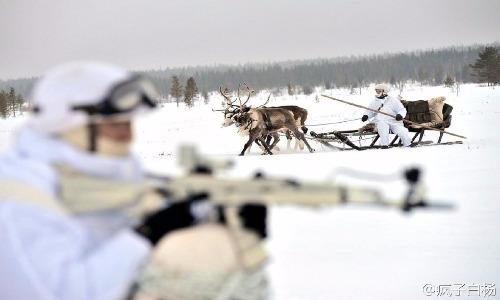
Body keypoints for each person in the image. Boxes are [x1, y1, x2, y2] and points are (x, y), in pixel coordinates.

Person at [0, 62, 267, 300]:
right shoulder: (19, 196)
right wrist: (149, 234)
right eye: (113, 123)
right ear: (67, 124)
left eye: (128, 122)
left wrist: (211, 213)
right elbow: (58, 292)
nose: (127, 134)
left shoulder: (106, 170)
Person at [361, 84, 412, 148]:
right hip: (380, 121)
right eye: (376, 91)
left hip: (394, 121)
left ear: (384, 91)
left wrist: (400, 115)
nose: (377, 93)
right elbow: (370, 111)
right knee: (383, 127)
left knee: (402, 131)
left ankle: (408, 144)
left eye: (379, 91)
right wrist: (366, 116)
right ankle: (384, 145)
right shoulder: (374, 101)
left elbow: (402, 110)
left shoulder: (393, 100)